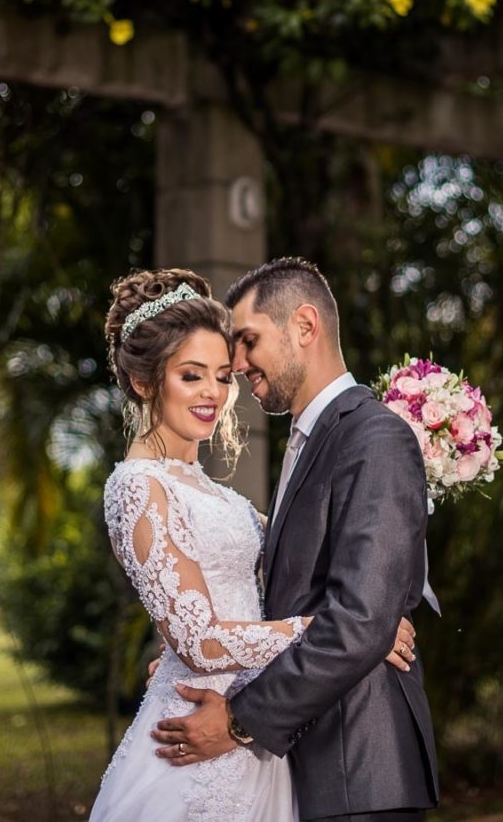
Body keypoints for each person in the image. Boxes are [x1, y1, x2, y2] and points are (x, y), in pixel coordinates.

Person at [89, 268, 416, 822]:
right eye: (191, 375)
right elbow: (199, 638)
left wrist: (367, 621)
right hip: (198, 735)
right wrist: (346, 630)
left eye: (221, 376)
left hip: (259, 736)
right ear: (146, 383)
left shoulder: (218, 494)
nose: (214, 392)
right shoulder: (136, 486)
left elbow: (304, 567)